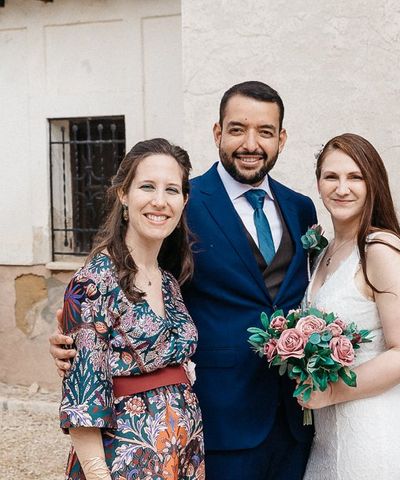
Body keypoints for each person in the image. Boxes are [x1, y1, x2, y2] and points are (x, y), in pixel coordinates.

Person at [51, 81, 317, 480]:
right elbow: (103, 302)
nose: (251, 143)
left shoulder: (301, 208)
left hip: (287, 420)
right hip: (216, 422)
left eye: (265, 131)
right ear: (217, 133)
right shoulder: (184, 203)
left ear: (281, 138)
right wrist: (66, 337)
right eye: (237, 128)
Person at [59, 138, 204, 479]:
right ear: (124, 194)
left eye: (171, 190)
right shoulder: (92, 282)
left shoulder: (168, 281)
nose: (159, 201)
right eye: (147, 187)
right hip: (124, 465)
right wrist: (97, 473)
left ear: (184, 200)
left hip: (180, 458)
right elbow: (83, 399)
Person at [300, 133, 400, 480]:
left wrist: (330, 392)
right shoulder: (325, 251)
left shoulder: (380, 249)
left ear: (373, 183)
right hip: (329, 436)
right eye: (332, 177)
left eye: (355, 177)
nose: (342, 188)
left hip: (373, 433)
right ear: (318, 183)